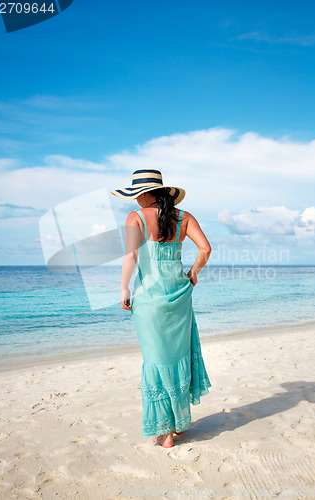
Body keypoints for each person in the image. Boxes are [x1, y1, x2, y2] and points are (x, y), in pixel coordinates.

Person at [110, 168, 212, 448]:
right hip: (179, 294)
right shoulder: (185, 217)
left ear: (143, 194)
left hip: (149, 299)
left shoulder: (136, 218)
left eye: (135, 195)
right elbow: (205, 249)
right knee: (177, 356)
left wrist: (124, 287)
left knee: (156, 360)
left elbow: (131, 255)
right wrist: (194, 273)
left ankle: (165, 433)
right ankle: (178, 424)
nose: (134, 201)